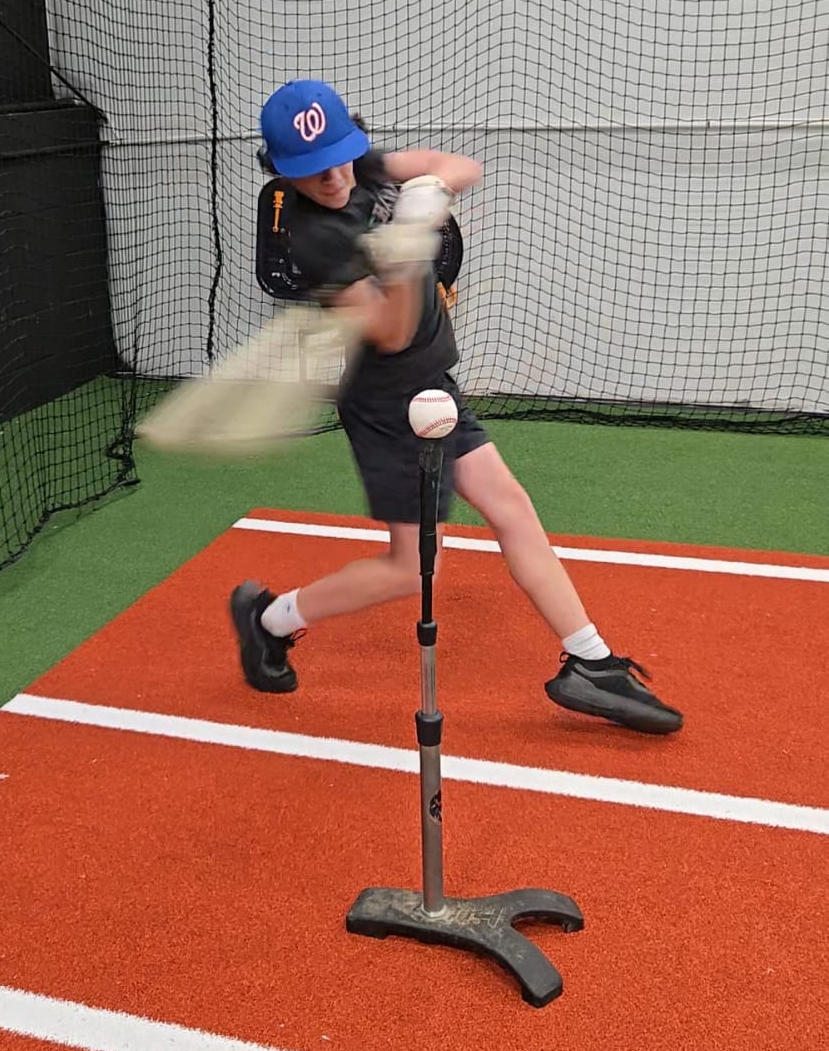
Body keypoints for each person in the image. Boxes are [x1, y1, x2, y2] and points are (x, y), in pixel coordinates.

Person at [229, 78, 683, 736]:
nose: (331, 177)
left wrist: (430, 193)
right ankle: (269, 620)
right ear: (281, 171)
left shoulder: (366, 167)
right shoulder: (312, 236)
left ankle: (590, 661)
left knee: (510, 506)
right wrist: (407, 242)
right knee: (409, 568)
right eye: (309, 169)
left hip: (434, 384)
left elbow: (458, 165)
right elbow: (386, 329)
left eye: (337, 157)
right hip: (387, 405)